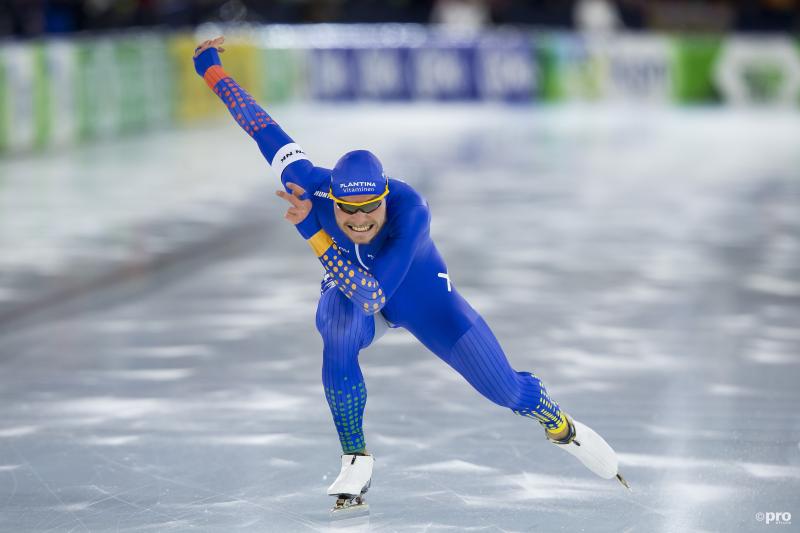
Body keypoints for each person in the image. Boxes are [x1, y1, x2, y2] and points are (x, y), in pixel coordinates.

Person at [192, 36, 628, 510]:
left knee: (507, 391)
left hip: (421, 300)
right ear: (331, 197)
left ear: (385, 197)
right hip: (354, 296)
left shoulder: (411, 211)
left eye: (370, 210)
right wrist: (210, 67)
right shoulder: (309, 184)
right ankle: (355, 456)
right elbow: (259, 125)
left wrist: (312, 234)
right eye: (347, 212)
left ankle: (558, 424)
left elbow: (373, 297)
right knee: (336, 325)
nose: (359, 222)